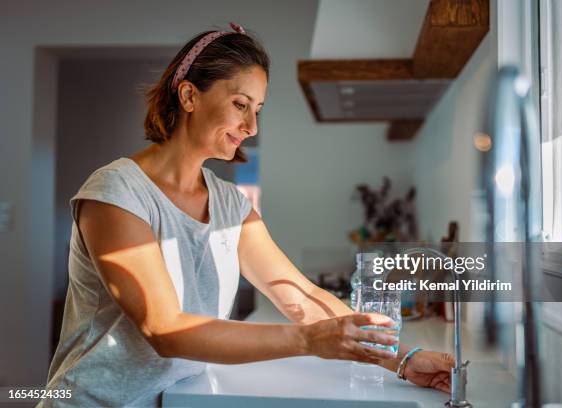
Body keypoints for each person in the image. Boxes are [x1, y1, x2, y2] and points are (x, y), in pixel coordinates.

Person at [40, 23, 454, 407]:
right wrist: (309, 341)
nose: (252, 125)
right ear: (188, 96)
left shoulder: (230, 204)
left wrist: (403, 359)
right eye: (240, 104)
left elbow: (301, 298)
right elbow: (164, 329)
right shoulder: (116, 192)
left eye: (257, 108)